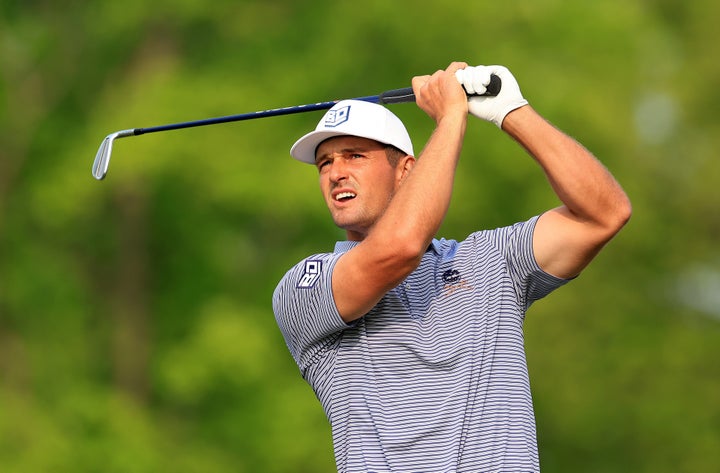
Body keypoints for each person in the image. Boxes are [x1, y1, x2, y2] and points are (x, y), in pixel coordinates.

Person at [272, 62, 631, 472]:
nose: (336, 173)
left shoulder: (490, 260)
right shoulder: (306, 286)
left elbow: (604, 213)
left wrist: (511, 111)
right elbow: (399, 248)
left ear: (406, 170)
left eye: (354, 155)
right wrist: (451, 117)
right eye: (325, 164)